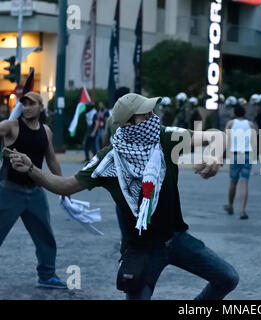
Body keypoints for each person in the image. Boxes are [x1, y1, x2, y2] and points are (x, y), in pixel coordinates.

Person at [8, 93, 239, 300]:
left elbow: (215, 135)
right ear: (128, 123)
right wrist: (32, 170)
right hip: (140, 251)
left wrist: (214, 156)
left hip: (176, 239)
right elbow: (65, 186)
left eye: (152, 112)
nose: (153, 117)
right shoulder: (108, 159)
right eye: (145, 114)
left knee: (228, 278)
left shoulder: (165, 138)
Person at [0, 92, 66, 289]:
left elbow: (51, 159)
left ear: (41, 107)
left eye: (32, 104)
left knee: (45, 236)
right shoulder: (11, 126)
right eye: (24, 104)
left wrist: (63, 185)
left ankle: (47, 275)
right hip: (9, 191)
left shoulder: (46, 131)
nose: (27, 107)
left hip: (35, 192)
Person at [224, 105, 256, 220]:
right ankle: (242, 211)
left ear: (234, 113)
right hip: (247, 154)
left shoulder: (230, 124)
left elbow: (226, 140)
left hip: (235, 155)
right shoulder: (251, 124)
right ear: (244, 113)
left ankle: (230, 205)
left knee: (233, 182)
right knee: (244, 183)